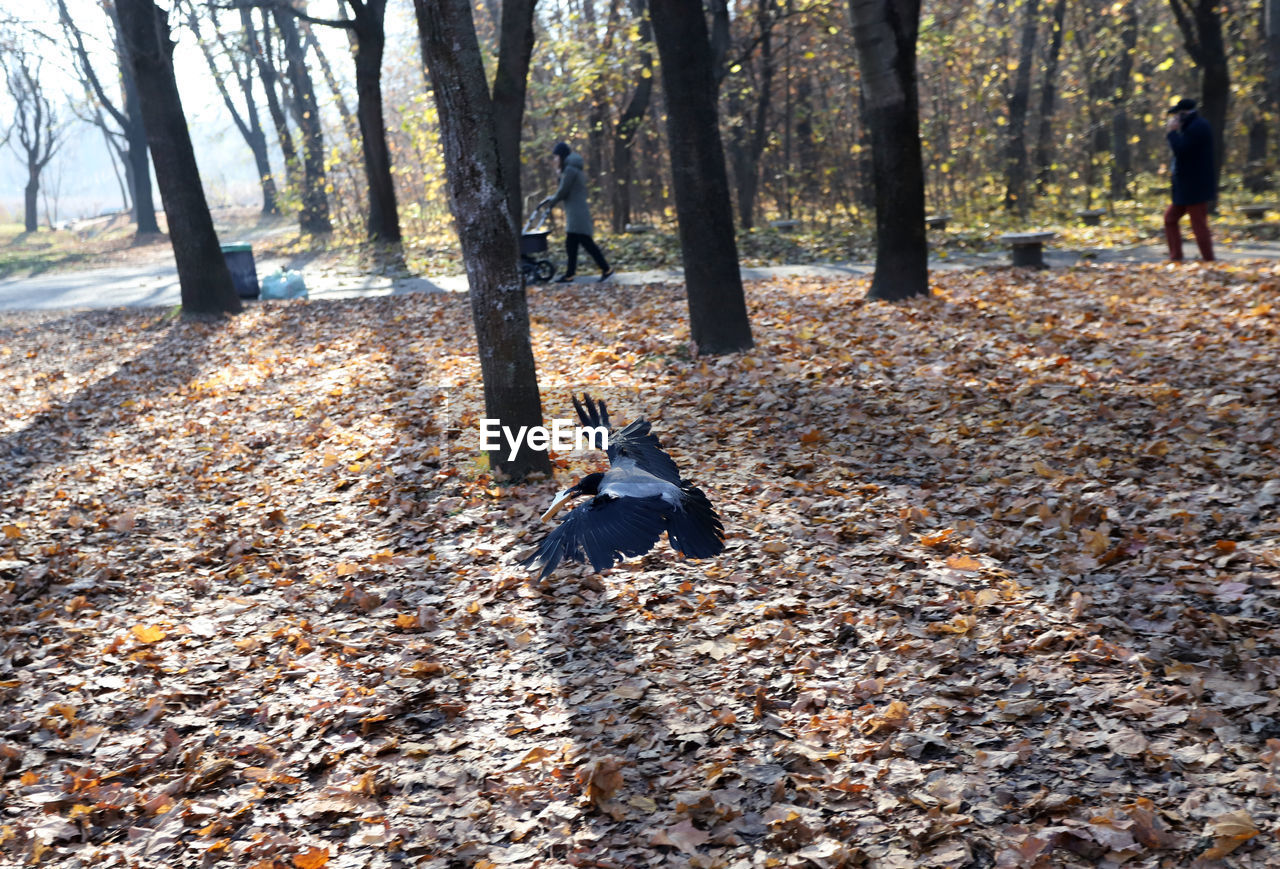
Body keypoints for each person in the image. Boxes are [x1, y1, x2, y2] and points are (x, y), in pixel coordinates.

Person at [540, 142, 614, 283]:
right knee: (571, 243)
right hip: (575, 211)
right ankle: (570, 274)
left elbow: (563, 191)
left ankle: (606, 269)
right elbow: (563, 189)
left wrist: (552, 201)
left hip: (577, 212)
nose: (555, 160)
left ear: (561, 156)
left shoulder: (570, 170)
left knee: (586, 242)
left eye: (556, 157)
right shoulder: (571, 169)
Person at [1164, 97, 1215, 263]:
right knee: (1170, 219)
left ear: (1184, 113)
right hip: (1184, 186)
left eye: (1177, 115)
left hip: (1195, 186)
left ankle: (1209, 259)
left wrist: (1172, 133)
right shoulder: (1190, 126)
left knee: (1198, 224)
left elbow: (1182, 150)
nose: (1175, 119)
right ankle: (1176, 256)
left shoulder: (1198, 127)